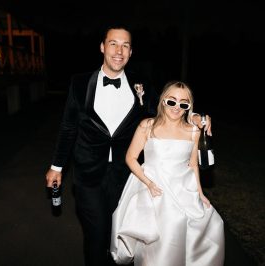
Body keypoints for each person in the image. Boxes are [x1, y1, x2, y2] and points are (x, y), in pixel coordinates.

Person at [45, 26, 212, 266]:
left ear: (131, 52)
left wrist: (195, 117)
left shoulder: (140, 84)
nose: (118, 51)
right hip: (88, 174)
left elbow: (166, 110)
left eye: (125, 45)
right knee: (97, 234)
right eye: (113, 43)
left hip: (127, 176)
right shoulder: (80, 83)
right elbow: (68, 127)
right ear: (103, 47)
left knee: (120, 236)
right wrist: (56, 167)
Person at [110, 81, 224, 266]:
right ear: (163, 101)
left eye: (183, 104)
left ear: (189, 107)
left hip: (182, 189)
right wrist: (148, 183)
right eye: (172, 101)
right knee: (159, 240)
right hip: (154, 189)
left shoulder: (193, 131)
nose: (177, 107)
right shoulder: (147, 126)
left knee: (204, 227)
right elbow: (131, 158)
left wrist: (201, 194)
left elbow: (193, 165)